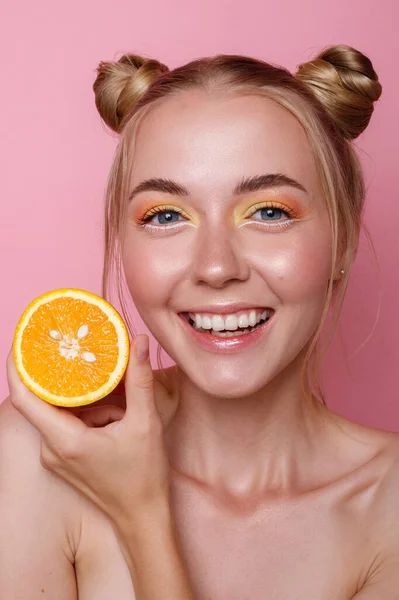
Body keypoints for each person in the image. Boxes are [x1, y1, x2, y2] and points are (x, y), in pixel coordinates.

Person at [1, 44, 397, 600]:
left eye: (269, 212)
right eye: (166, 216)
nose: (216, 267)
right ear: (122, 239)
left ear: (344, 241)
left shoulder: (390, 507)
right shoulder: (39, 453)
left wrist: (142, 519)